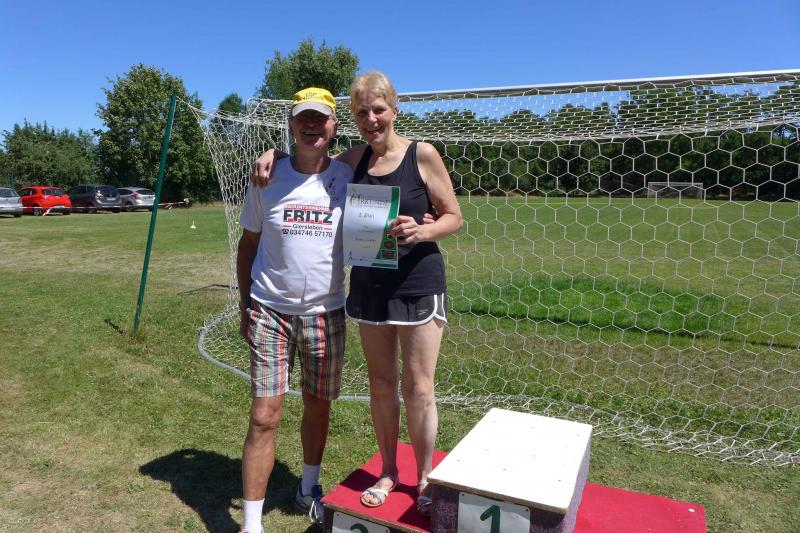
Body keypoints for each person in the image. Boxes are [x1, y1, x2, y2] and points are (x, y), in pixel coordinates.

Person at [252, 71, 463, 516]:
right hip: (369, 286)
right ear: (354, 117)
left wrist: (423, 231)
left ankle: (425, 478)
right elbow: (311, 157)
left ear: (394, 110)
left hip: (417, 284)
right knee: (381, 386)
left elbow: (454, 216)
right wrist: (274, 153)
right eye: (363, 112)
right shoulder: (354, 160)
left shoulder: (422, 154)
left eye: (379, 109)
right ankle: (388, 471)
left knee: (419, 388)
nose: (371, 119)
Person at [237, 86, 352, 532]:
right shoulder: (266, 177)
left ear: (334, 126)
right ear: (289, 125)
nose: (311, 126)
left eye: (320, 118)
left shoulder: (348, 176)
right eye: (303, 118)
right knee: (264, 415)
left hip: (327, 313)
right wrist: (245, 303)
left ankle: (308, 487)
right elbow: (248, 245)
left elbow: (387, 151)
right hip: (270, 311)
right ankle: (252, 524)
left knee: (317, 406)